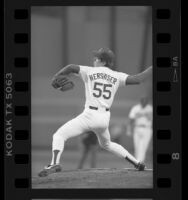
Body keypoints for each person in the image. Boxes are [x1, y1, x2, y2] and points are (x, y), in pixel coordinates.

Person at [38, 47, 152, 177]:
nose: (94, 60)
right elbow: (138, 79)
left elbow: (71, 67)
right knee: (107, 144)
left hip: (89, 116)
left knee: (59, 135)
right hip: (104, 118)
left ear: (103, 62)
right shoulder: (117, 76)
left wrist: (57, 76)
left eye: (97, 58)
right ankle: (137, 163)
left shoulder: (90, 71)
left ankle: (54, 164)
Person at [127, 97, 153, 163]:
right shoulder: (136, 108)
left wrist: (142, 114)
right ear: (140, 101)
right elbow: (131, 119)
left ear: (147, 102)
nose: (144, 102)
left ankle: (140, 161)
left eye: (145, 101)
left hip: (147, 128)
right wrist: (129, 129)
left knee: (143, 146)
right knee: (137, 146)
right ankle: (138, 161)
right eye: (143, 101)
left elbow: (151, 118)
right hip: (137, 128)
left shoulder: (150, 108)